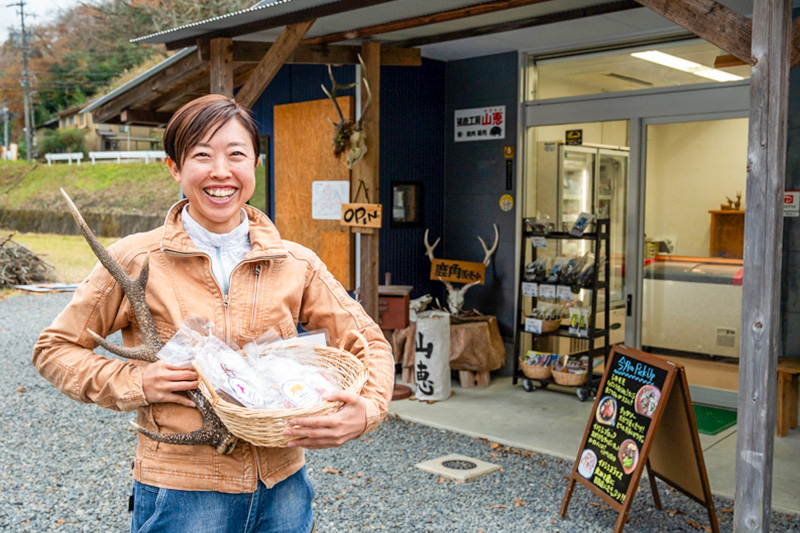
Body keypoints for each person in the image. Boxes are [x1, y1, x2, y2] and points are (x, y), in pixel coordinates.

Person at [33, 94, 395, 533]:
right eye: (202, 155)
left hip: (283, 486)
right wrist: (135, 381)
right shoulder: (132, 258)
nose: (221, 172)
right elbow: (55, 348)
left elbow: (369, 341)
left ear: (256, 165)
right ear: (175, 168)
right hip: (183, 492)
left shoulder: (295, 262)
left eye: (236, 154)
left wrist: (369, 409)